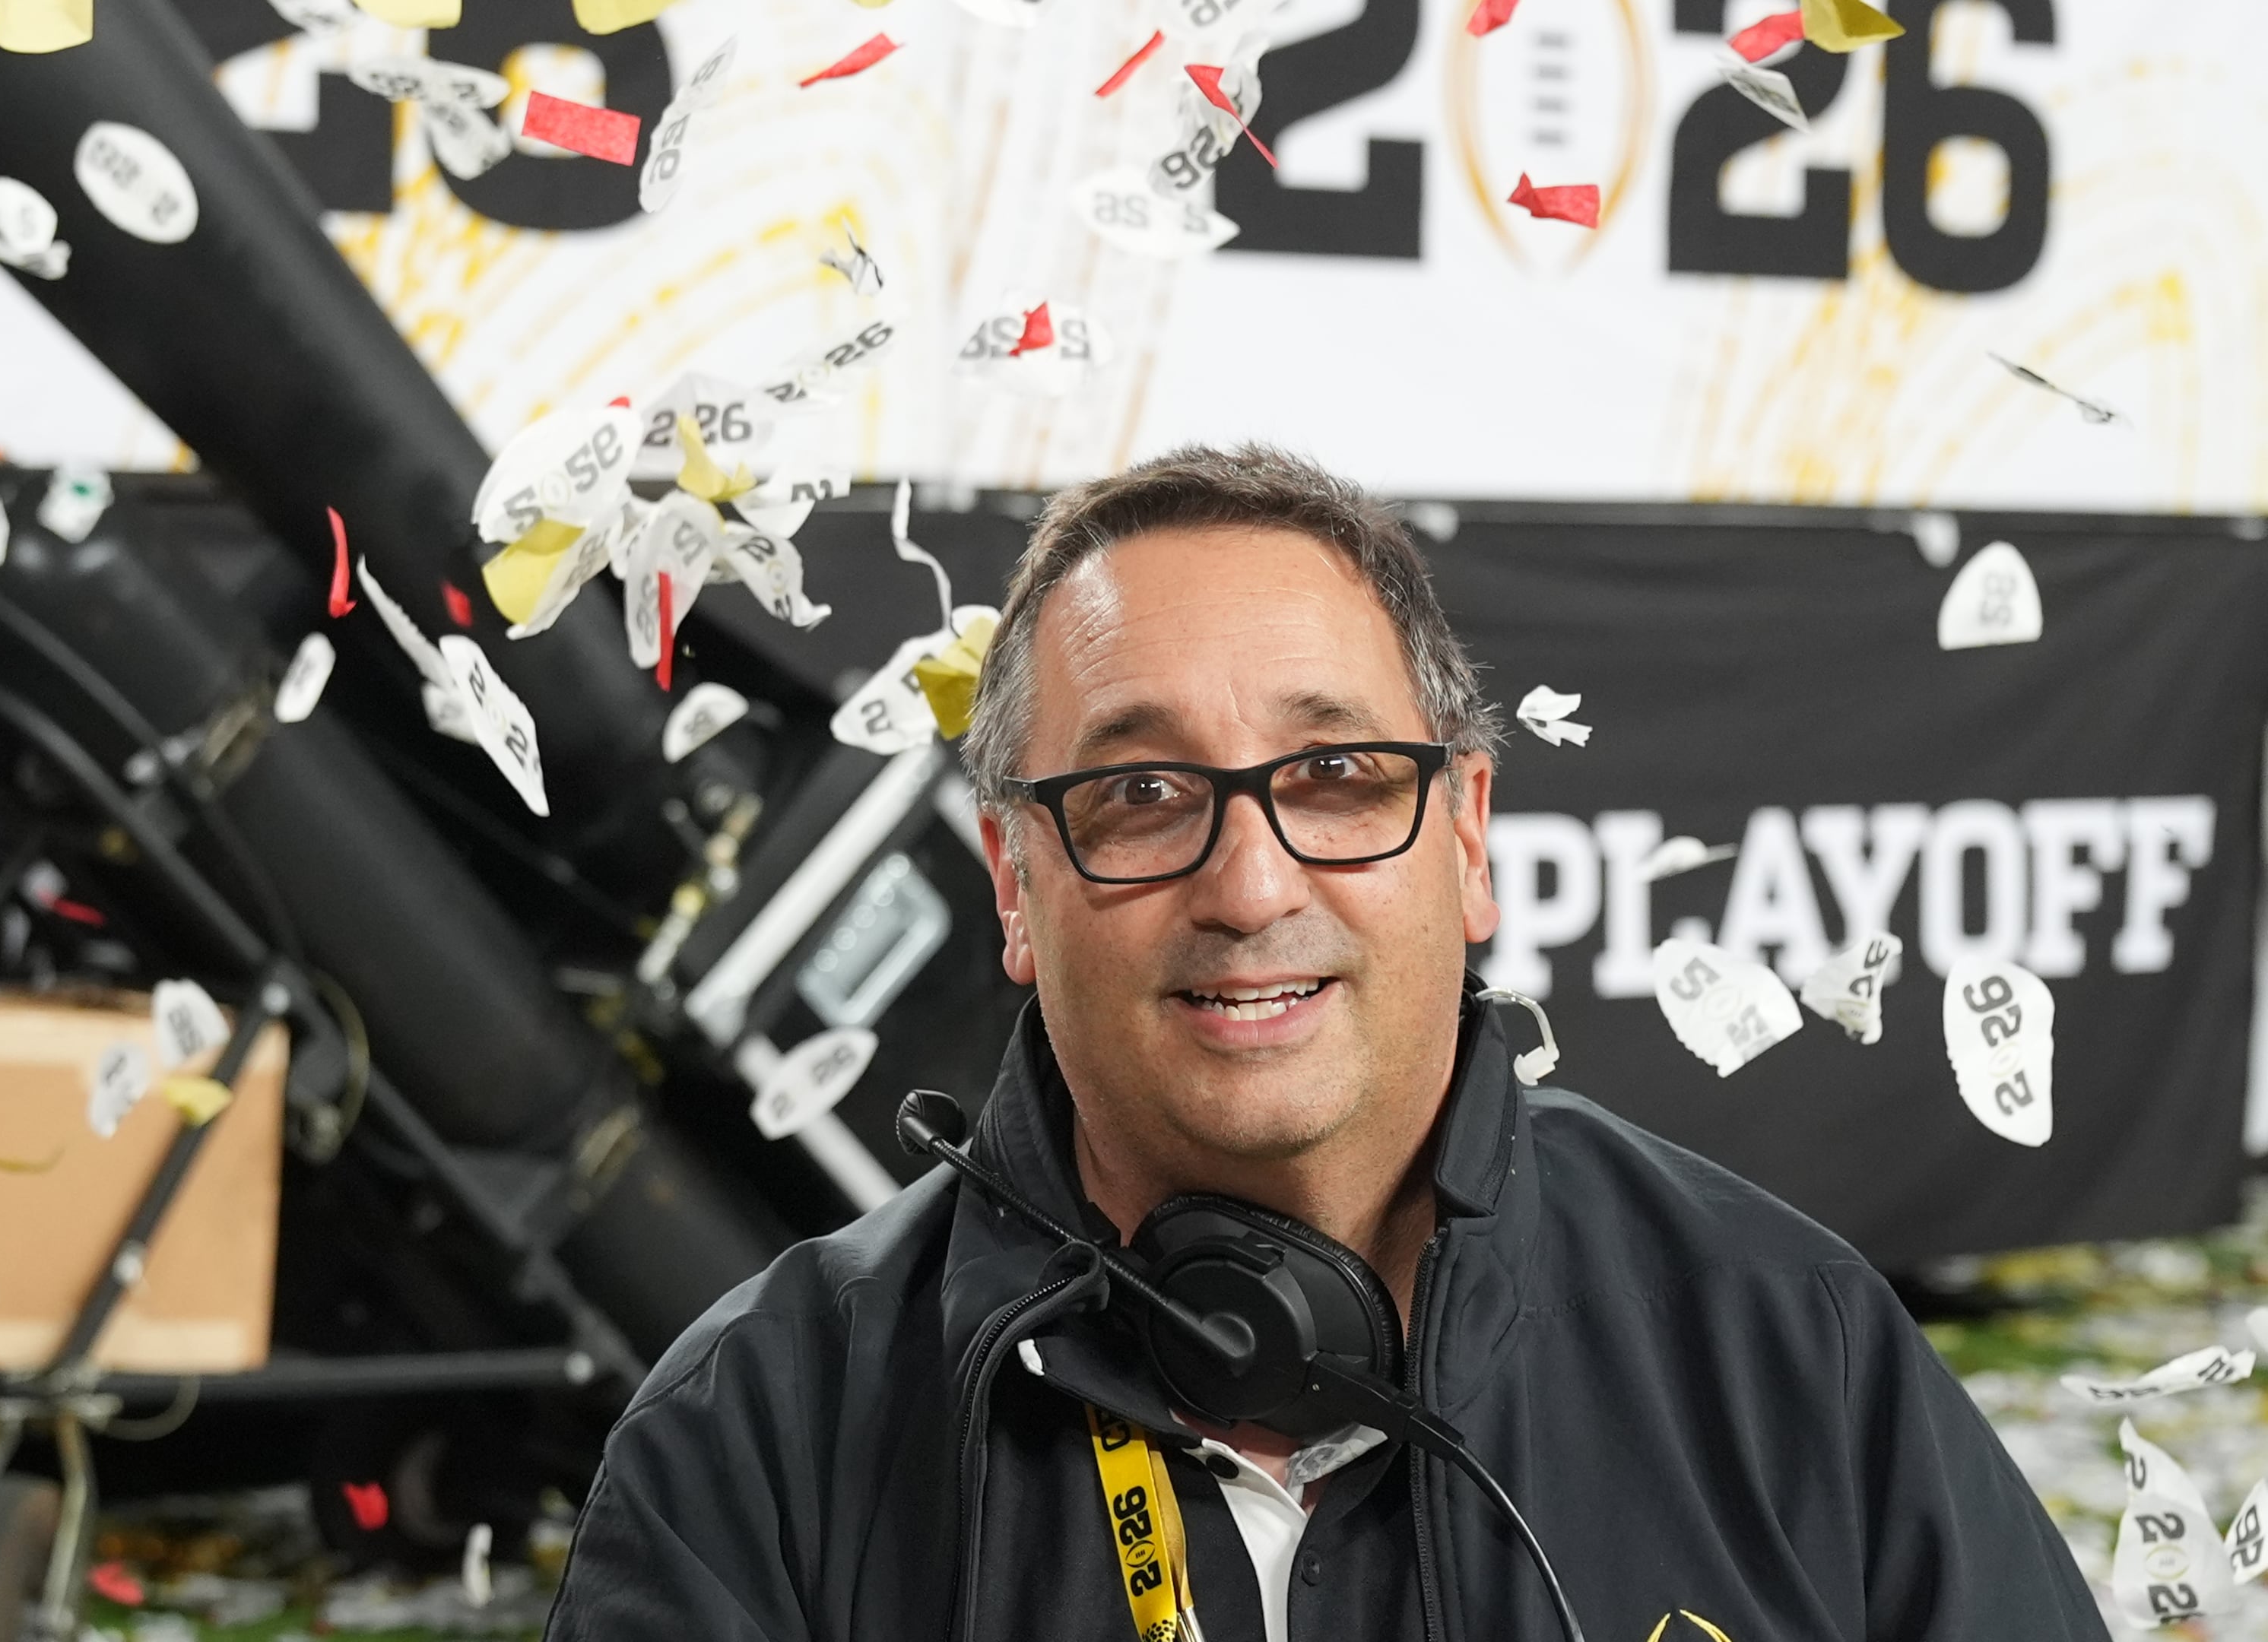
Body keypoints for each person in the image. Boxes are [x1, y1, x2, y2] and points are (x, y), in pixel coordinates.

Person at [544, 444, 2104, 1640]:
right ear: (1015, 883)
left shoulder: (1793, 1353)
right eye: (1139, 795)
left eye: (1340, 776)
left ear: (1470, 837)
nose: (1251, 885)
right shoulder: (756, 1434)